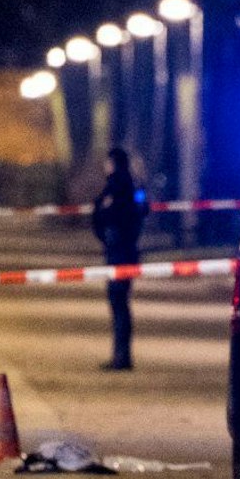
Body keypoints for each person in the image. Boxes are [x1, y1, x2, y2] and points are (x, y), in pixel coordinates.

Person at [91, 147, 147, 371]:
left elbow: (103, 213)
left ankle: (121, 357)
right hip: (126, 250)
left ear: (113, 163)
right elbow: (143, 211)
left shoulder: (116, 187)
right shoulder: (132, 186)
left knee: (118, 304)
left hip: (119, 252)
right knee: (121, 304)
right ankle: (121, 354)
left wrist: (106, 236)